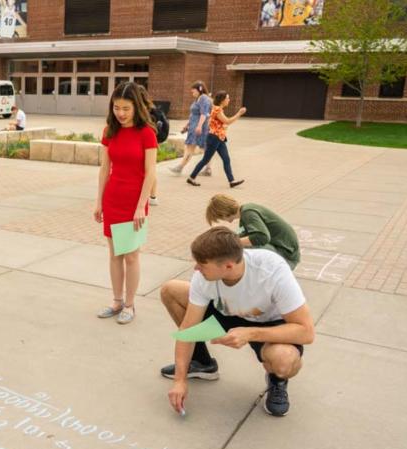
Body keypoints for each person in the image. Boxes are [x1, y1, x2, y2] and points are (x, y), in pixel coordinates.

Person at [162, 227, 314, 417]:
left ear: (228, 266)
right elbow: (187, 329)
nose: (196, 268)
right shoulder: (203, 277)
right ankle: (202, 363)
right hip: (228, 313)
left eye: (202, 264)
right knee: (171, 290)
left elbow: (306, 332)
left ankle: (277, 380)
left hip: (268, 323)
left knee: (284, 361)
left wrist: (250, 333)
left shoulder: (271, 270)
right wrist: (179, 380)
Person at [94, 82, 158, 325]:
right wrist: (98, 202)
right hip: (113, 197)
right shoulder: (110, 131)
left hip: (135, 201)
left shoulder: (146, 133)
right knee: (114, 254)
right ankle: (116, 300)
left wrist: (141, 205)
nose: (120, 113)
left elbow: (151, 172)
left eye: (126, 108)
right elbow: (104, 169)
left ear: (137, 107)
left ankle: (130, 305)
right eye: (117, 108)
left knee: (131, 256)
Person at [205, 194, 300, 270]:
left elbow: (262, 237)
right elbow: (241, 234)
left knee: (241, 249)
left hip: (286, 257)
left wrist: (231, 243)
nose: (223, 220)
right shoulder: (245, 213)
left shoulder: (248, 213)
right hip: (285, 251)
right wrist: (225, 239)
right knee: (238, 246)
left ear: (224, 213)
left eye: (220, 218)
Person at [186, 91, 245, 188]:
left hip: (220, 138)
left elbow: (221, 123)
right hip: (214, 138)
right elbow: (228, 121)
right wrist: (239, 113)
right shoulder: (217, 110)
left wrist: (223, 127)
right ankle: (191, 178)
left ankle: (232, 181)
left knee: (226, 159)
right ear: (222, 100)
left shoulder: (218, 109)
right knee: (205, 159)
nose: (229, 100)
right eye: (227, 98)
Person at [170, 81, 212, 177]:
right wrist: (187, 125)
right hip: (194, 126)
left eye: (193, 91)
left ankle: (180, 167)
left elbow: (204, 114)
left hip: (198, 127)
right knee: (205, 148)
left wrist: (199, 126)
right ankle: (208, 169)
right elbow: (193, 114)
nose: (192, 93)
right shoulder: (198, 99)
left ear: (199, 90)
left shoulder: (204, 99)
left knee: (190, 147)